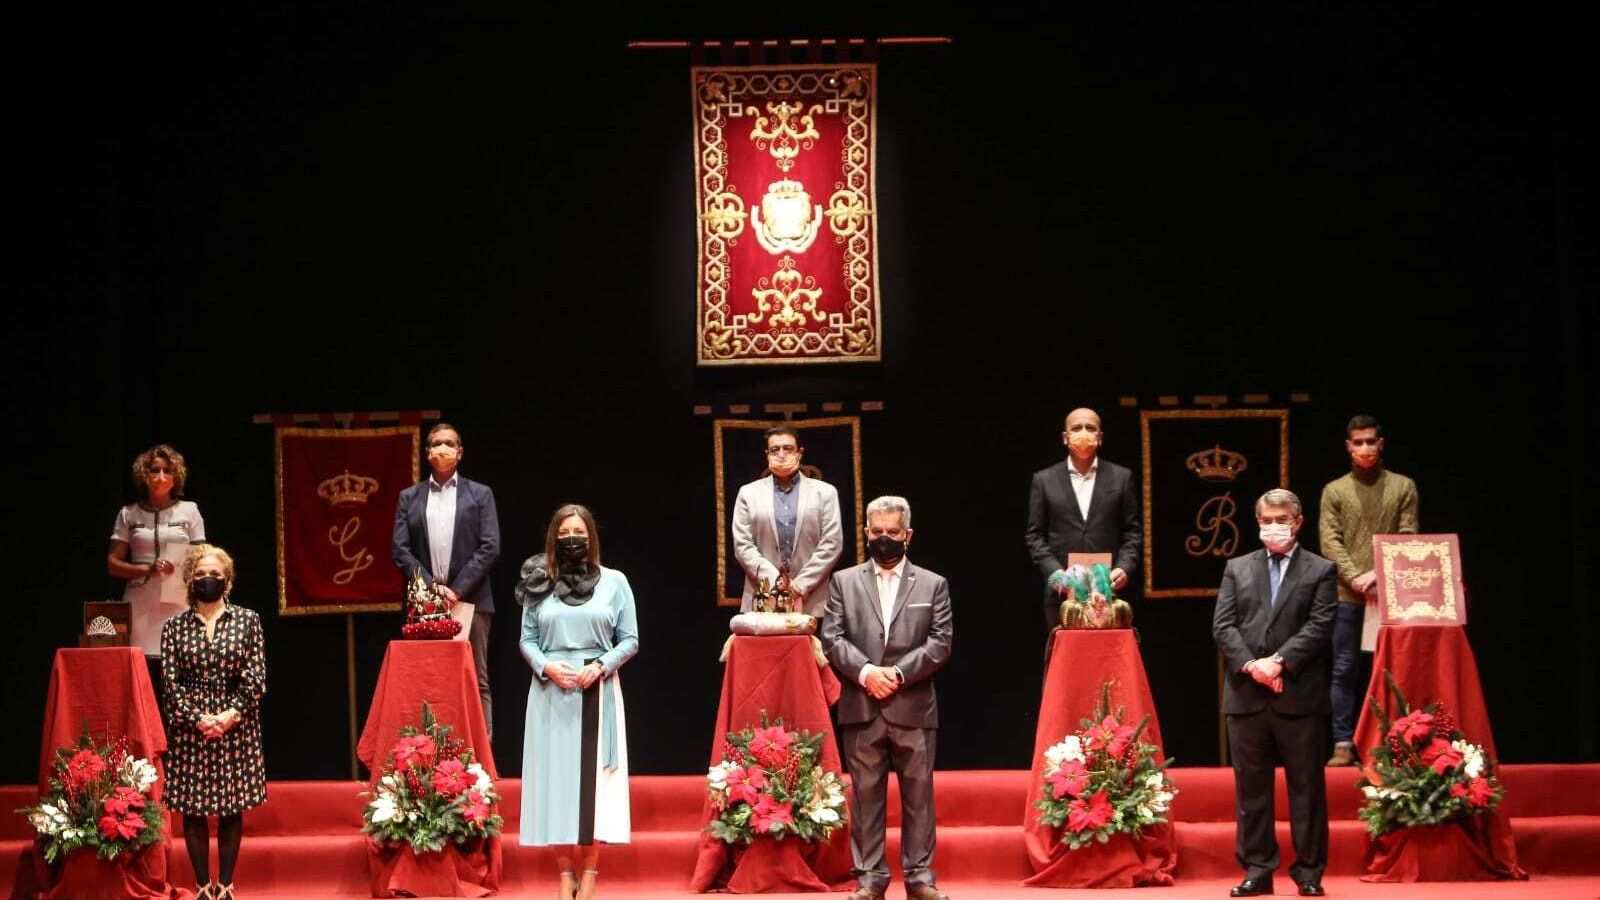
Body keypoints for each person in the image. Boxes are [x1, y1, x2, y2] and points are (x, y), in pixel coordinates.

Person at [820, 495, 954, 900]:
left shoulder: (933, 584)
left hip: (913, 704)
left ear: (908, 535)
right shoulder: (843, 581)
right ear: (865, 533)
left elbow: (940, 642)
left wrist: (896, 673)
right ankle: (870, 878)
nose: (883, 539)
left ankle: (919, 878)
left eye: (892, 533)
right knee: (865, 797)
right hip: (862, 704)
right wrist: (866, 673)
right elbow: (832, 637)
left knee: (918, 796)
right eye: (876, 532)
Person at [1212, 489, 1336, 898]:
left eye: (1280, 519)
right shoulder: (1237, 567)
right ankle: (1257, 870)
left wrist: (1278, 663)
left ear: (1298, 521)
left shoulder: (1320, 569)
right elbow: (1224, 627)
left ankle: (1309, 872)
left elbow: (1319, 627)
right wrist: (1254, 667)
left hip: (1298, 696)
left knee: (1307, 789)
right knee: (1252, 790)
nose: (1273, 527)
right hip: (1247, 695)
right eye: (1265, 520)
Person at [516, 504, 639, 900]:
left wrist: (601, 665)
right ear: (554, 538)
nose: (573, 539)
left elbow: (630, 639)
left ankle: (590, 871)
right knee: (555, 784)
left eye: (580, 533)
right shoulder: (539, 582)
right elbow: (527, 639)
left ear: (591, 538)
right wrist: (546, 667)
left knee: (595, 789)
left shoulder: (615, 582)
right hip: (551, 692)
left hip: (596, 690)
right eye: (566, 532)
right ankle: (564, 871)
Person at [160, 544, 267, 900]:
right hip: (192, 729)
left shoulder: (248, 620)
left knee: (231, 807)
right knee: (194, 809)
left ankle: (226, 884)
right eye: (202, 574)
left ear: (228, 580)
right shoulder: (174, 627)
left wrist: (229, 715)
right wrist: (198, 719)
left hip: (236, 724)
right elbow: (170, 686)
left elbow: (256, 677)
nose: (209, 579)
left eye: (216, 574)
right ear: (191, 579)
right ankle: (203, 885)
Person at [1318, 414, 1419, 766]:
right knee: (1344, 669)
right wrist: (1355, 577)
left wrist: (1379, 574)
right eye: (1357, 442)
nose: (1364, 448)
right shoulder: (1335, 490)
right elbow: (1330, 542)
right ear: (1348, 446)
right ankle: (1343, 743)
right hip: (1348, 596)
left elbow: (1408, 537)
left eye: (1369, 441)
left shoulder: (1403, 487)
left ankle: (1388, 742)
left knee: (1387, 669)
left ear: (1380, 444)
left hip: (1390, 597)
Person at [392, 422, 501, 735]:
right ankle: (425, 754)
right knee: (427, 679)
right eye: (436, 444)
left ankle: (482, 759)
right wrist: (432, 587)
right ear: (427, 453)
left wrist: (456, 589)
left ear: (460, 452)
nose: (443, 449)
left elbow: (490, 546)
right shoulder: (409, 498)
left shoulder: (480, 495)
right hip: (425, 602)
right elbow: (400, 550)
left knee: (475, 679)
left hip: (471, 601)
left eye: (449, 444)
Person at [1025, 408, 1142, 629]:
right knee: (1066, 660)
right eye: (1076, 428)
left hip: (1109, 591)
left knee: (1109, 660)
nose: (1084, 432)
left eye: (1091, 428)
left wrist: (1124, 567)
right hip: (1062, 594)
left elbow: (1132, 531)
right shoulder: (1044, 480)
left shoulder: (1121, 477)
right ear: (1065, 437)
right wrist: (1055, 572)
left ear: (1100, 437)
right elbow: (1035, 535)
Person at [731, 425, 844, 615]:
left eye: (788, 448)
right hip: (762, 598)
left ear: (799, 453)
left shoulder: (825, 492)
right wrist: (777, 583)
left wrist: (799, 586)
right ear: (767, 454)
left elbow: (832, 544)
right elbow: (742, 546)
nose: (781, 454)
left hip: (811, 599)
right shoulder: (748, 493)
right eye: (775, 450)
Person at [108, 444, 206, 658]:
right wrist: (145, 569)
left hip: (178, 599)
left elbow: (203, 560)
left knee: (179, 662)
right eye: (155, 470)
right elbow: (113, 564)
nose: (161, 476)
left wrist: (181, 566)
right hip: (139, 602)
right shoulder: (128, 514)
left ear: (176, 476)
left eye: (167, 470)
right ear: (144, 474)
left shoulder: (189, 510)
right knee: (138, 663)